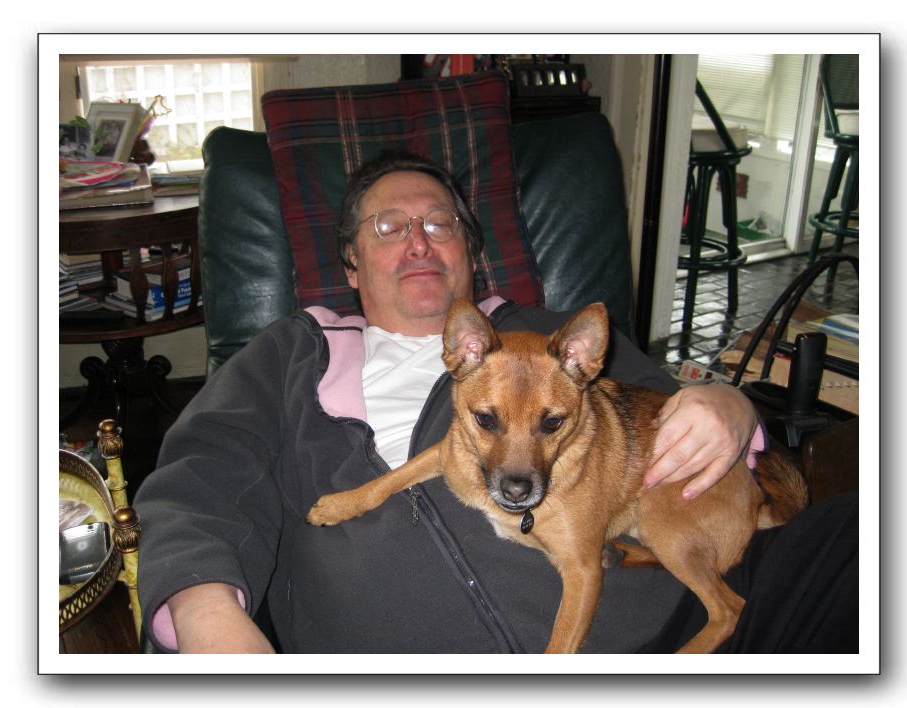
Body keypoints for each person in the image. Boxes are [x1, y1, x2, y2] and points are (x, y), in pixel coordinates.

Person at [134, 152, 857, 654]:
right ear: (350, 261)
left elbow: (665, 414)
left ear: (470, 255)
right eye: (389, 227)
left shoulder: (556, 339)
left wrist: (730, 403)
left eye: (440, 224)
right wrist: (205, 611)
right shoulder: (289, 355)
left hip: (680, 613)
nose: (419, 242)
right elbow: (201, 475)